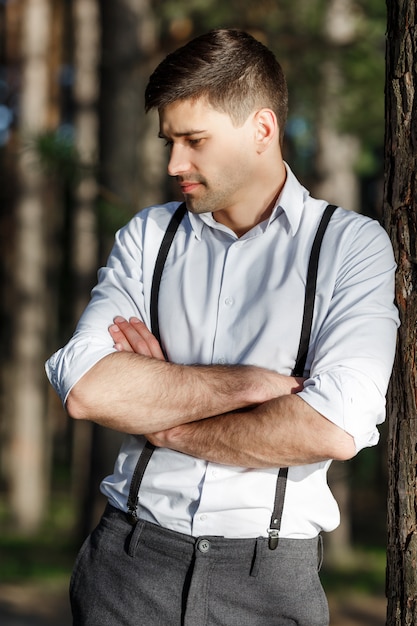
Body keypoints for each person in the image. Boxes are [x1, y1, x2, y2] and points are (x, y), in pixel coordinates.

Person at [46, 28, 399, 626]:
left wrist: (165, 419)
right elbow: (86, 388)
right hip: (127, 567)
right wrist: (250, 385)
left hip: (268, 583)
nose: (173, 164)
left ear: (262, 129)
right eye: (169, 141)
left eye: (194, 141)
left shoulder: (349, 246)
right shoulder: (148, 237)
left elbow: (335, 426)